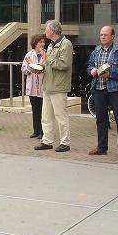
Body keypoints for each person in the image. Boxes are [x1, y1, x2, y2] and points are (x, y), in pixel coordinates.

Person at [86, 26, 118, 158]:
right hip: (99, 89)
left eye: (105, 34)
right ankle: (102, 147)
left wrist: (110, 74)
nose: (103, 37)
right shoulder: (96, 51)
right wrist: (91, 70)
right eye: (101, 35)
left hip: (116, 90)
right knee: (100, 119)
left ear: (112, 36)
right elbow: (89, 65)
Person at [35, 20, 73, 153]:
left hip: (59, 86)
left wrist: (48, 59)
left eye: (46, 28)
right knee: (46, 116)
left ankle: (65, 143)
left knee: (60, 116)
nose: (45, 31)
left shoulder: (66, 44)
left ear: (52, 30)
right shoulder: (51, 45)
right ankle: (47, 141)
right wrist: (40, 66)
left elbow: (64, 64)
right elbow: (49, 64)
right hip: (48, 85)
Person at [22, 34, 46, 139]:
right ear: (35, 43)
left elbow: (41, 69)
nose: (42, 44)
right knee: (35, 109)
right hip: (32, 86)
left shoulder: (45, 54)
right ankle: (36, 131)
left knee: (42, 110)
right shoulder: (29, 55)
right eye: (40, 42)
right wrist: (32, 67)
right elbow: (24, 69)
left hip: (42, 86)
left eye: (43, 42)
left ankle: (43, 132)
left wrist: (32, 64)